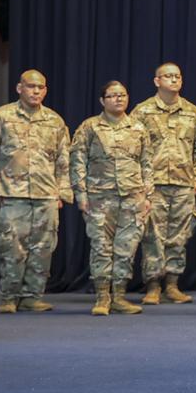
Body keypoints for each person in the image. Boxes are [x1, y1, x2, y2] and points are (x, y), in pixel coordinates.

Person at [0, 70, 72, 313]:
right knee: (11, 246)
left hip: (46, 194)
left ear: (46, 90)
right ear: (19, 88)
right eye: (30, 86)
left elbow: (64, 160)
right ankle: (9, 296)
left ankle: (31, 296)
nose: (36, 91)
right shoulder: (2, 117)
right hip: (12, 193)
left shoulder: (54, 121)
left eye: (40, 87)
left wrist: (62, 192)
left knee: (43, 247)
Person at [130, 62, 196, 305]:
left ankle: (173, 284)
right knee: (152, 235)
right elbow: (131, 148)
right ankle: (153, 285)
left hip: (183, 184)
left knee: (180, 235)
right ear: (157, 81)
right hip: (152, 184)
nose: (174, 80)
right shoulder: (142, 112)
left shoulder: (193, 112)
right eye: (168, 76)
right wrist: (140, 183)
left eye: (177, 76)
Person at [71, 81, 154, 315]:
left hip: (132, 198)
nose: (118, 99)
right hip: (99, 197)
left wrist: (148, 195)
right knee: (101, 247)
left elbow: (147, 163)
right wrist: (81, 195)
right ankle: (101, 298)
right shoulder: (89, 127)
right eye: (112, 95)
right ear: (102, 100)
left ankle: (119, 296)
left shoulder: (138, 128)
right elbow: (77, 162)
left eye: (122, 95)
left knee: (126, 249)